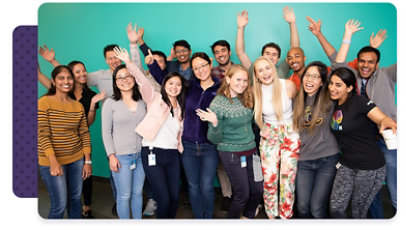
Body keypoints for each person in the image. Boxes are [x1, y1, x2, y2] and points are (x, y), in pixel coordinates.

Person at [331, 20, 397, 218]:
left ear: (378, 64)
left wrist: (387, 121)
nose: (365, 65)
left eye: (371, 62)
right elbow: (338, 65)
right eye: (362, 61)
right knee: (370, 196)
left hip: (386, 138)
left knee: (395, 192)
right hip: (364, 141)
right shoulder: (352, 78)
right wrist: (347, 35)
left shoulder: (386, 74)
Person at [114, 44, 189, 218]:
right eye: (171, 83)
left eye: (178, 84)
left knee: (174, 198)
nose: (174, 87)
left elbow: (179, 134)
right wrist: (128, 62)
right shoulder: (154, 98)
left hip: (172, 155)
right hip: (152, 152)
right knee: (163, 199)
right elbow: (141, 79)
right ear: (165, 84)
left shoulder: (181, 109)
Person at [38, 51, 105, 218]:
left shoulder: (80, 103)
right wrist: (53, 162)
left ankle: (82, 213)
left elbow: (84, 130)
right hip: (53, 158)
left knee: (75, 199)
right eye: (61, 79)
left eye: (69, 78)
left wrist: (87, 161)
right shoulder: (46, 101)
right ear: (54, 82)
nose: (66, 81)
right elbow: (42, 134)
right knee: (59, 205)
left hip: (76, 156)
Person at [197, 64, 263, 218]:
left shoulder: (248, 96)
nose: (242, 84)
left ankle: (247, 216)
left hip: (252, 151)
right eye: (238, 79)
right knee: (242, 195)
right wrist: (214, 123)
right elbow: (214, 139)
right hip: (231, 153)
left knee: (259, 190)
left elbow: (253, 122)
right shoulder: (218, 104)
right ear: (228, 79)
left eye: (245, 80)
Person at [252, 56, 299, 219]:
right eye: (260, 70)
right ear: (256, 75)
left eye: (267, 67)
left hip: (290, 134)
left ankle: (286, 216)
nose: (265, 73)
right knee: (269, 178)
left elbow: (301, 108)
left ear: (273, 68)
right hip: (268, 134)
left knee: (288, 179)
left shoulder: (287, 85)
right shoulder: (254, 91)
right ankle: (272, 217)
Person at [292, 61, 339, 218]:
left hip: (327, 160)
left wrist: (347, 36)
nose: (309, 80)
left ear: (322, 82)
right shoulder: (296, 101)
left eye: (315, 77)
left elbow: (342, 70)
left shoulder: (330, 100)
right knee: (302, 207)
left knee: (316, 209)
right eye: (307, 75)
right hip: (304, 161)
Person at [101, 64, 147, 219]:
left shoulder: (142, 101)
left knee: (137, 194)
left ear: (133, 78)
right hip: (121, 158)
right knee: (124, 196)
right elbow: (106, 132)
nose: (124, 80)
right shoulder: (110, 103)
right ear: (115, 82)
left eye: (128, 76)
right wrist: (111, 156)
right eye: (119, 78)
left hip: (141, 156)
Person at [235, 7, 299, 79]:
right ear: (262, 56)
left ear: (278, 59)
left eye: (274, 54)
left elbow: (295, 50)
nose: (270, 57)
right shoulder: (254, 70)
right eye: (267, 53)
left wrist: (292, 23)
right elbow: (240, 52)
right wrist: (240, 28)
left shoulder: (282, 69)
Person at [208, 39, 234, 211]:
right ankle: (227, 195)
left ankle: (240, 195)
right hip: (217, 122)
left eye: (223, 51)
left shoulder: (240, 70)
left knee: (237, 162)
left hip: (236, 122)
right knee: (221, 164)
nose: (220, 54)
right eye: (217, 52)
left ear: (229, 52)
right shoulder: (211, 72)